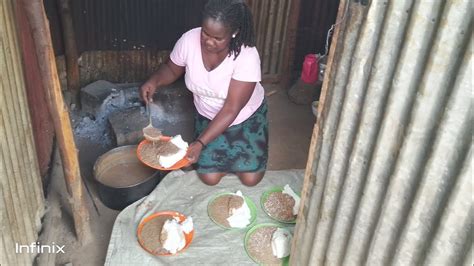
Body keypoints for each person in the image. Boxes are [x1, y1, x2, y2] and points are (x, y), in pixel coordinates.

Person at [140, 0, 268, 187]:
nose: (208, 41)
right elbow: (171, 69)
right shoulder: (189, 40)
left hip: (244, 117)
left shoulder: (247, 56)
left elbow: (232, 109)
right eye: (205, 33)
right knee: (210, 178)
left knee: (250, 179)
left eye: (217, 38)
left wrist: (200, 143)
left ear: (234, 33)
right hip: (208, 116)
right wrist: (155, 81)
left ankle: (234, 155)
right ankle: (227, 156)